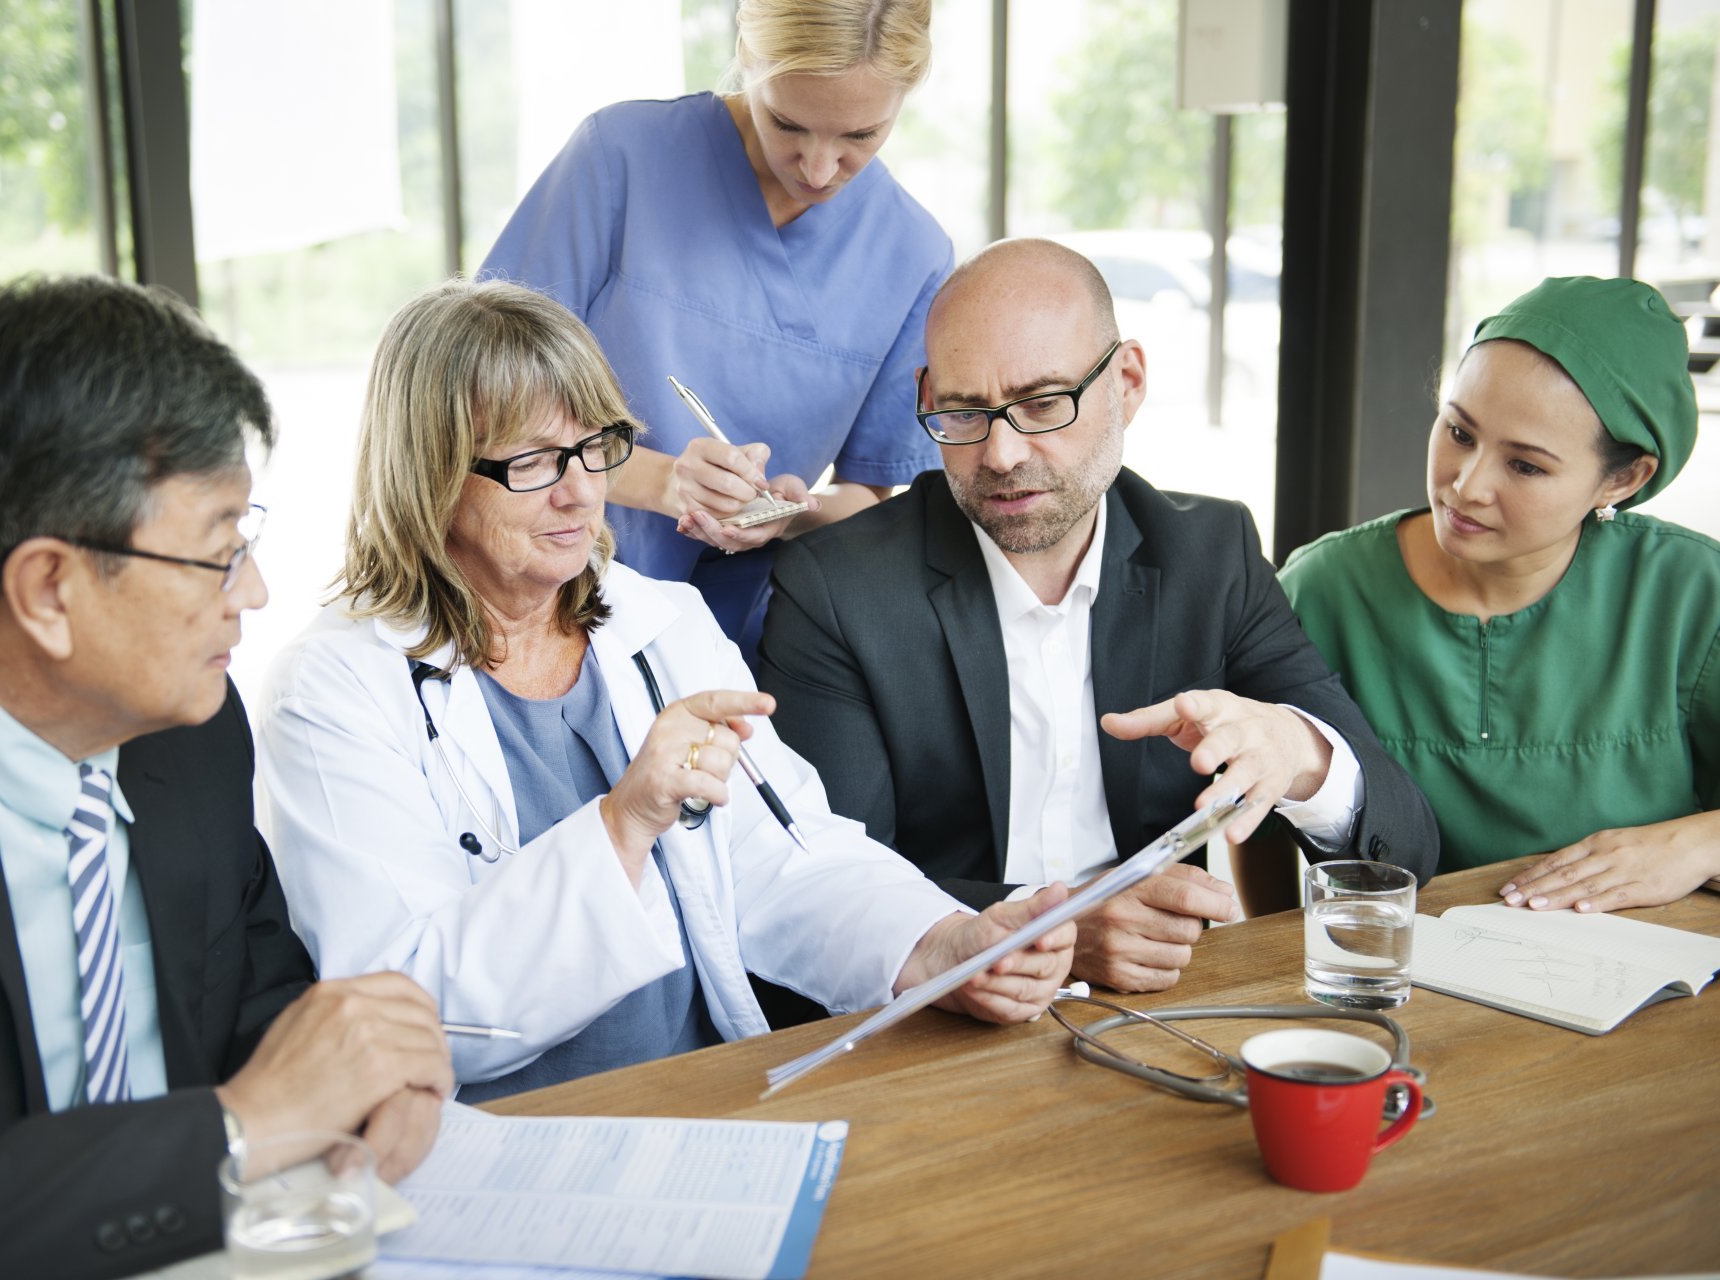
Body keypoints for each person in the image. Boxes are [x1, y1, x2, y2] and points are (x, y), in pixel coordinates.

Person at [256, 279, 1078, 1100]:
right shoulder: (334, 688)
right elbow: (406, 1012)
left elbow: (786, 859)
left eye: (596, 446)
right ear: (429, 472)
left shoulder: (663, 625)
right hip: (494, 1138)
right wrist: (623, 825)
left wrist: (941, 946)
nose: (580, 490)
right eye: (535, 460)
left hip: (696, 1101)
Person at [0, 277, 453, 1280]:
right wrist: (241, 1127)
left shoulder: (188, 728)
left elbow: (254, 996)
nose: (257, 593)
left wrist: (362, 1075)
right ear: (50, 588)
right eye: (220, 551)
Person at [757, 238, 1439, 994]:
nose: (1003, 453)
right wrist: (1058, 929)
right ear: (926, 400)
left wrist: (1306, 755)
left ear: (1129, 381)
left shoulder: (1212, 557)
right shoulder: (838, 586)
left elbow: (1405, 853)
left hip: (1161, 1009)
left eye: (1044, 403)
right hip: (933, 1022)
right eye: (963, 412)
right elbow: (823, 883)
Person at [478, 0, 953, 663]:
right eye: (789, 123)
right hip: (535, 594)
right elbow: (477, 389)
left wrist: (790, 515)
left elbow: (867, 494)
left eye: (861, 137)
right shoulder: (620, 158)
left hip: (734, 638)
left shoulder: (913, 254)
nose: (818, 168)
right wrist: (663, 482)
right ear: (745, 52)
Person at [1281, 276, 1720, 912]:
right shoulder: (1322, 590)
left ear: (1622, 479)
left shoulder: (1692, 597)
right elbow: (1258, 809)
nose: (1467, 485)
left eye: (1525, 465)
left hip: (1654, 990)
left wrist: (1701, 842)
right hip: (1400, 986)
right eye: (1459, 432)